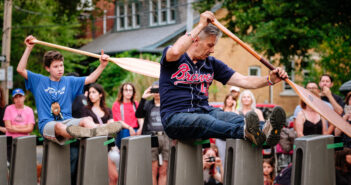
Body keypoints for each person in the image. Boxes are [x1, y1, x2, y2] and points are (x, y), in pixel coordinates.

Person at [159, 11, 288, 147]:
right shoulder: (174, 58)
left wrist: (270, 79)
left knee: (234, 118)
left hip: (205, 110)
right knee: (204, 121)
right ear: (196, 40)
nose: (212, 50)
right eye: (210, 45)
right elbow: (175, 51)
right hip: (175, 117)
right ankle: (248, 133)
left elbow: (244, 80)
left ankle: (265, 132)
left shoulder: (211, 64)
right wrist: (201, 25)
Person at [16, 35, 122, 145]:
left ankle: (100, 129)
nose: (60, 69)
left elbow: (91, 78)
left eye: (61, 65)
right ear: (48, 68)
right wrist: (28, 48)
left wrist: (102, 66)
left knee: (87, 120)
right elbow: (20, 69)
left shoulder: (69, 81)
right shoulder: (38, 81)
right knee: (59, 126)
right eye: (56, 66)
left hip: (67, 121)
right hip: (48, 124)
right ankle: (85, 133)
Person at [82, 83, 119, 185]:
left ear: (100, 94)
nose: (91, 95)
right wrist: (104, 126)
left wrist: (97, 125)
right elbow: (88, 127)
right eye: (90, 93)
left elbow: (111, 127)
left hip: (107, 145)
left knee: (114, 176)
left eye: (94, 92)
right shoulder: (86, 110)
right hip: (93, 146)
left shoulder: (107, 110)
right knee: (96, 177)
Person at [135, 81, 169, 185]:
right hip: (151, 137)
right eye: (154, 90)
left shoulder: (168, 103)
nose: (157, 92)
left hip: (166, 137)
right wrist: (143, 97)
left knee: (164, 170)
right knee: (152, 170)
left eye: (159, 90)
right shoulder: (148, 104)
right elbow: (138, 114)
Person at [4, 88, 35, 162]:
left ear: (24, 97)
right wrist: (24, 126)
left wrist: (14, 127)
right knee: (12, 163)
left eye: (20, 96)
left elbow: (30, 129)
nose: (18, 99)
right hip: (10, 140)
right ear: (13, 99)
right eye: (16, 97)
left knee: (23, 162)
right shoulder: (8, 109)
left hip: (25, 139)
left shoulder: (29, 110)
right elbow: (8, 127)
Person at [112, 82, 141, 148]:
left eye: (130, 90)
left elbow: (140, 117)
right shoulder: (117, 105)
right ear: (122, 92)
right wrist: (129, 128)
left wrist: (141, 128)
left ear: (133, 92)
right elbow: (119, 121)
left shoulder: (135, 104)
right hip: (123, 131)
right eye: (126, 90)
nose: (128, 92)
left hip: (136, 130)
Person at [215, 94, 237, 164]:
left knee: (232, 159)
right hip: (221, 138)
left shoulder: (236, 111)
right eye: (228, 99)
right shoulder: (221, 110)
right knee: (222, 159)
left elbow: (235, 120)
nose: (229, 101)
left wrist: (233, 107)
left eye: (232, 99)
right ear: (225, 100)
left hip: (232, 138)